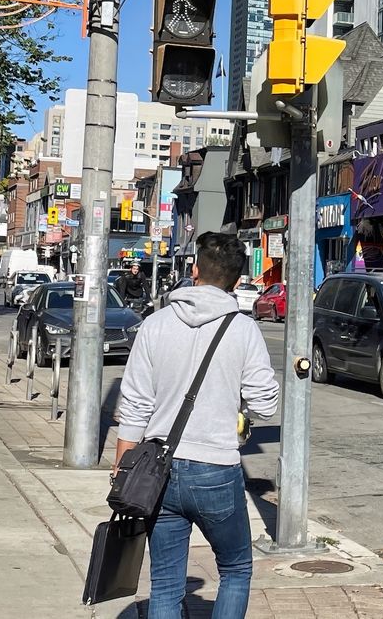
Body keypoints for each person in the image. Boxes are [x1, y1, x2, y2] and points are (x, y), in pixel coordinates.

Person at [115, 232, 280, 619]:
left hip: (159, 470)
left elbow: (135, 404)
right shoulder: (243, 330)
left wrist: (122, 466)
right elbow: (265, 403)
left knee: (166, 584)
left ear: (194, 270)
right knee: (236, 569)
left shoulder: (154, 325)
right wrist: (237, 407)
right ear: (237, 281)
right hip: (215, 470)